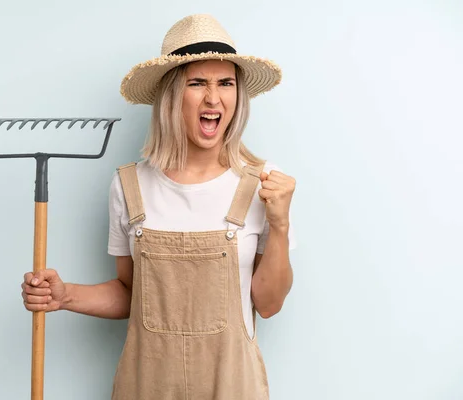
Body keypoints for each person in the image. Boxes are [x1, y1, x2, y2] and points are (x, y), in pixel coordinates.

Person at [21, 13, 297, 399]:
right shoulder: (130, 186)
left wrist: (280, 225)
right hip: (146, 386)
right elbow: (133, 294)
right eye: (197, 83)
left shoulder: (262, 185)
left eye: (226, 83)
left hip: (232, 386)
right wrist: (64, 295)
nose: (213, 98)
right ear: (171, 95)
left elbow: (268, 305)